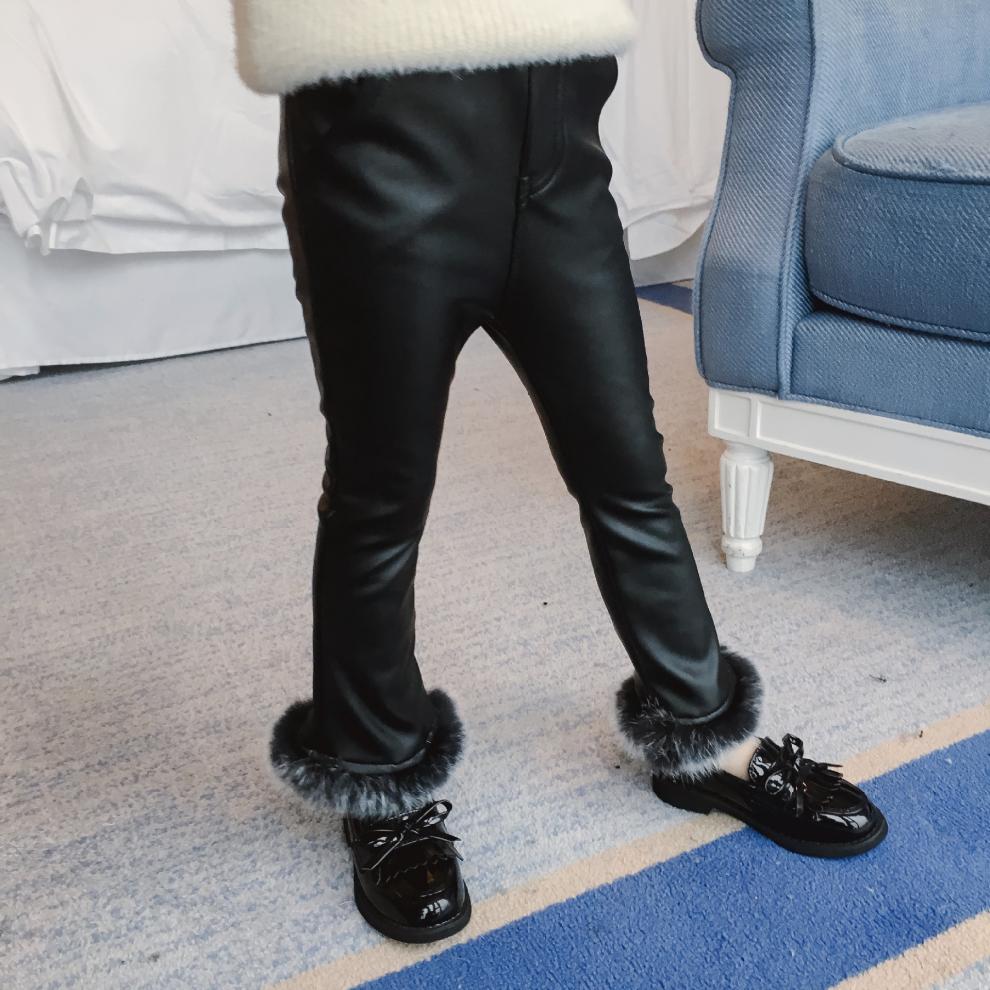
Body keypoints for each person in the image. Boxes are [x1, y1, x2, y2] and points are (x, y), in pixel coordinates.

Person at [231, 0, 888, 945]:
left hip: (561, 158)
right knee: (380, 502)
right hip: (380, 162)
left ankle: (705, 730)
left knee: (628, 472)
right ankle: (376, 772)